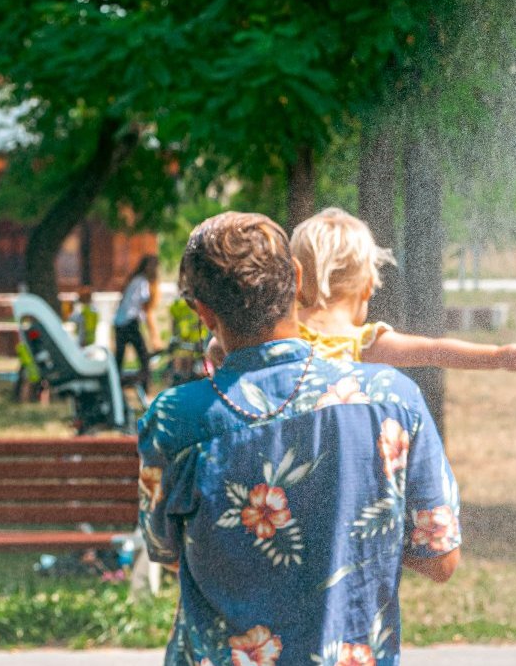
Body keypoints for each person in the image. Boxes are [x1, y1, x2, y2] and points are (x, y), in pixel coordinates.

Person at [138, 212, 460, 666]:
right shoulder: (392, 399)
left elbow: (165, 550)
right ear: (297, 277)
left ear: (203, 312)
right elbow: (439, 559)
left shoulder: (175, 421)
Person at [205, 207, 516, 373]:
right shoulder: (363, 344)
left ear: (294, 277)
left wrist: (216, 353)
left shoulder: (282, 331)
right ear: (367, 287)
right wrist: (497, 357)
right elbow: (435, 350)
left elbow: (223, 345)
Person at [112, 255, 161, 395]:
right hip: (129, 322)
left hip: (119, 322)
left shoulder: (134, 280)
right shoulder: (142, 282)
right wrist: (155, 337)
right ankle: (145, 389)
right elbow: (146, 310)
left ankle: (115, 388)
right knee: (144, 357)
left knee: (119, 360)